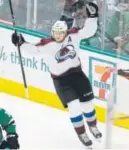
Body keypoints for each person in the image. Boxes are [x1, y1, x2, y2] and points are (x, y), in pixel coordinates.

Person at [11, 2, 101, 147]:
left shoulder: (74, 35)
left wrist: (93, 16)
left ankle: (93, 126)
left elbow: (89, 31)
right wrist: (21, 43)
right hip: (61, 80)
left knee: (87, 105)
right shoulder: (47, 43)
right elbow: (34, 49)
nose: (57, 36)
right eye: (55, 33)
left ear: (66, 32)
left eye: (60, 33)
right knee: (74, 106)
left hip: (77, 74)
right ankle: (82, 133)